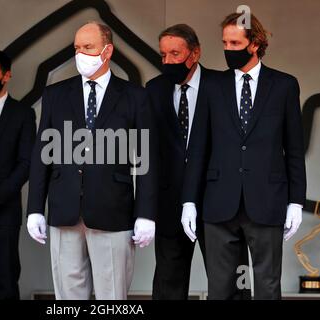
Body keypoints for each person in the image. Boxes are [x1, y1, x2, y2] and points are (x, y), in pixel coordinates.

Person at [26, 22, 158, 300]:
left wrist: (146, 212)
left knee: (112, 296)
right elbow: (41, 154)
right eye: (77, 48)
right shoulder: (56, 94)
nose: (80, 54)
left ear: (107, 50)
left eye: (88, 47)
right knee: (69, 296)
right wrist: (35, 208)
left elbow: (147, 157)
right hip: (64, 210)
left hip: (113, 210)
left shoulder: (135, 96)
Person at [182, 13, 306, 299]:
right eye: (225, 42)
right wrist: (189, 200)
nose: (228, 49)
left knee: (267, 285)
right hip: (218, 202)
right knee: (221, 289)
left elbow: (294, 149)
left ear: (255, 43)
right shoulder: (212, 86)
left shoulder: (284, 85)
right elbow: (198, 147)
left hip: (267, 199)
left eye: (235, 42)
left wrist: (296, 202)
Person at [146, 24, 251, 300]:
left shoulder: (225, 85)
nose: (168, 61)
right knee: (168, 283)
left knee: (231, 284)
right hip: (171, 203)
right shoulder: (154, 89)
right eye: (163, 55)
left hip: (219, 202)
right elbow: (150, 152)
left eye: (175, 53)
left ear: (195, 53)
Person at [0, 50, 36, 300]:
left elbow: (26, 164)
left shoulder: (23, 114)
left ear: (6, 76)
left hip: (5, 208)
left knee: (7, 277)